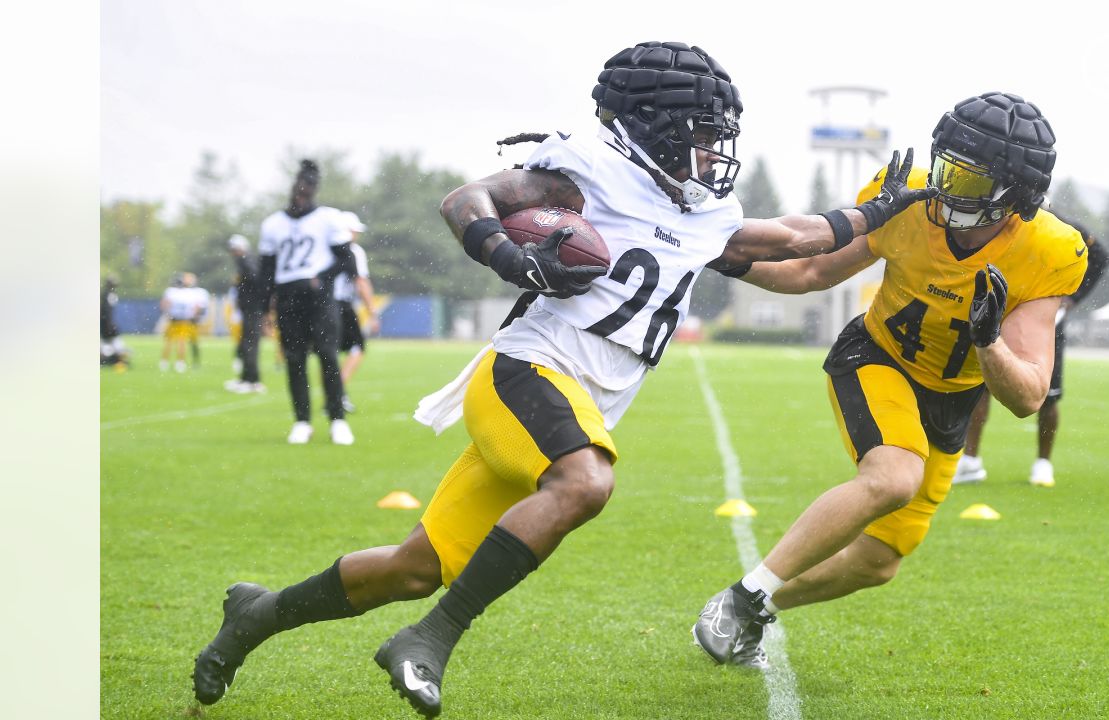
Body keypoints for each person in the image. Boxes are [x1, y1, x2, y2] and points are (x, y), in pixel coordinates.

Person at [191, 41, 933, 718]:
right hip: (529, 371)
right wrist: (506, 256)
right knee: (585, 482)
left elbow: (798, 251)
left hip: (571, 402)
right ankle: (430, 639)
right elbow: (467, 201)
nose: (713, 151)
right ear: (654, 125)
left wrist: (880, 220)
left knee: (415, 566)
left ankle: (257, 615)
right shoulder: (588, 169)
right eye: (702, 132)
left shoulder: (698, 211)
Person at [691, 91, 1089, 670]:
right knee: (895, 475)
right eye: (947, 168)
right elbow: (809, 270)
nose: (947, 190)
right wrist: (718, 256)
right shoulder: (909, 201)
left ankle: (753, 605)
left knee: (879, 561)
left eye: (970, 182)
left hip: (951, 399)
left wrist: (988, 340)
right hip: (878, 358)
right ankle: (746, 596)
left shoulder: (1048, 251)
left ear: (1015, 197)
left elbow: (1027, 395)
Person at [954, 216, 1109, 487]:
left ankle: (1043, 462)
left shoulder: (1060, 228)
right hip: (999, 311)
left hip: (1042, 317)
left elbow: (1100, 257)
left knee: (1047, 394)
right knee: (980, 386)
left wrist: (1071, 299)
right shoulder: (997, 220)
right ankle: (970, 460)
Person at [256, 159, 358, 445]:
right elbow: (266, 272)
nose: (302, 192)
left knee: (328, 356)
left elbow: (346, 260)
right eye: (299, 185)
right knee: (294, 360)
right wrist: (265, 308)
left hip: (319, 299)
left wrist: (322, 278)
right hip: (288, 298)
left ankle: (337, 419)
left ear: (314, 189)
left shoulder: (328, 219)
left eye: (308, 186)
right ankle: (302, 421)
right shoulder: (273, 224)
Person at [333, 211, 380, 413]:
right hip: (340, 305)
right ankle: (336, 392)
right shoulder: (353, 251)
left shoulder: (325, 248)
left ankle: (333, 393)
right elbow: (361, 282)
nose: (356, 235)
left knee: (328, 352)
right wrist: (372, 311)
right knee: (356, 348)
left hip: (319, 306)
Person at [224, 234, 269, 394]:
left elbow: (256, 281)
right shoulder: (246, 261)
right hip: (251, 308)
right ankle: (246, 379)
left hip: (252, 309)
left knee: (250, 344)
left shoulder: (246, 261)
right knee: (247, 344)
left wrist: (252, 301)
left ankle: (253, 381)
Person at [159, 272, 209, 373]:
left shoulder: (171, 292)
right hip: (186, 320)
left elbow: (165, 304)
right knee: (181, 341)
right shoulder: (191, 293)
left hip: (175, 319)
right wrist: (194, 316)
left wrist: (167, 313)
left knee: (170, 341)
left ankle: (165, 362)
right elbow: (197, 307)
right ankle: (180, 363)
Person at [100, 276, 130, 369]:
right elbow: (107, 311)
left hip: (104, 324)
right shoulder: (109, 295)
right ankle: (115, 360)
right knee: (115, 344)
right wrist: (109, 324)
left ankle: (108, 360)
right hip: (106, 324)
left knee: (107, 344)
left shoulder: (105, 294)